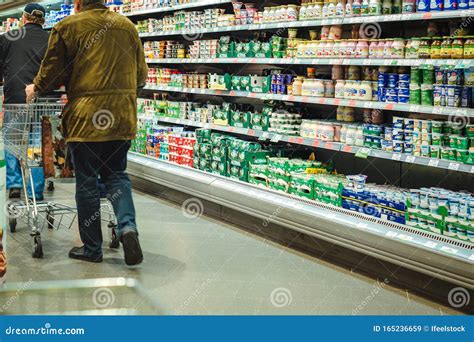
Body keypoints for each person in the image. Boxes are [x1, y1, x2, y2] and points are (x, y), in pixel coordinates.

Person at [26, 0, 148, 265]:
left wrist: (35, 87)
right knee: (117, 176)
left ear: (78, 3)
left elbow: (51, 71)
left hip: (86, 120)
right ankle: (128, 228)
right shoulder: (127, 26)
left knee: (87, 181)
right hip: (122, 118)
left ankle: (92, 248)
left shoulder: (68, 26)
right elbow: (141, 76)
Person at [0, 3, 49, 201]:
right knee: (36, 144)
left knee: (12, 140)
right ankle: (35, 190)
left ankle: (14, 184)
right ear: (43, 20)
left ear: (24, 18)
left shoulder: (9, 38)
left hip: (15, 98)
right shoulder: (51, 39)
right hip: (41, 99)